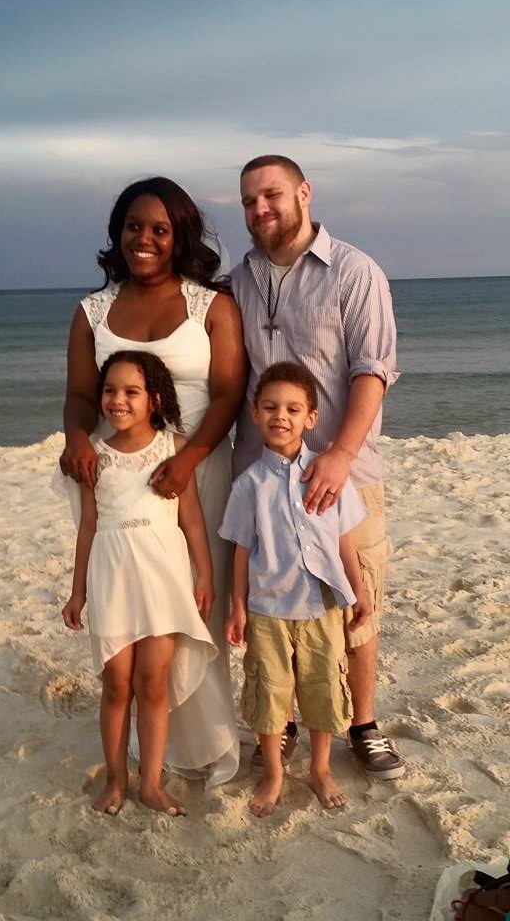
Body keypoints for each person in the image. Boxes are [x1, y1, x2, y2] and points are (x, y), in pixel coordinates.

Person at [58, 177, 247, 786]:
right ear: (117, 232)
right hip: (119, 480)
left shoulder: (211, 306)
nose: (145, 238)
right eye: (133, 226)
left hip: (198, 472)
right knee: (134, 607)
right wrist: (76, 439)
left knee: (193, 605)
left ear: (179, 236)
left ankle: (203, 743)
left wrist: (190, 459)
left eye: (160, 229)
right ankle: (142, 748)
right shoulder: (91, 312)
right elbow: (80, 396)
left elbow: (229, 393)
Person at [231, 155, 405, 780]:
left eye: (271, 195)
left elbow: (372, 371)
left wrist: (339, 455)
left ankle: (364, 724)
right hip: (262, 475)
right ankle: (283, 724)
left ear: (304, 193)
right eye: (248, 201)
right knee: (273, 603)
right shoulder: (240, 279)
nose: (260, 209)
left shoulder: (355, 272)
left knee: (355, 599)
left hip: (343, 474)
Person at [63, 351, 221, 816]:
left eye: (131, 391)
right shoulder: (95, 455)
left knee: (152, 683)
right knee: (116, 684)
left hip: (162, 581)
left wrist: (205, 574)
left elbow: (193, 520)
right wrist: (78, 592)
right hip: (112, 578)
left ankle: (151, 784)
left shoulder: (174, 447)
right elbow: (88, 526)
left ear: (154, 399)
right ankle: (116, 781)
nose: (118, 400)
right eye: (110, 390)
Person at [220, 362, 372, 817]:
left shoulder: (329, 476)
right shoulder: (248, 484)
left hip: (321, 604)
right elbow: (241, 550)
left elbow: (345, 541)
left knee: (323, 686)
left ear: (311, 417)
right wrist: (238, 607)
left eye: (292, 408)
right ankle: (273, 773)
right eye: (269, 407)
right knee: (270, 691)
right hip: (267, 607)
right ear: (254, 414)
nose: (280, 416)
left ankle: (320, 769)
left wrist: (359, 593)